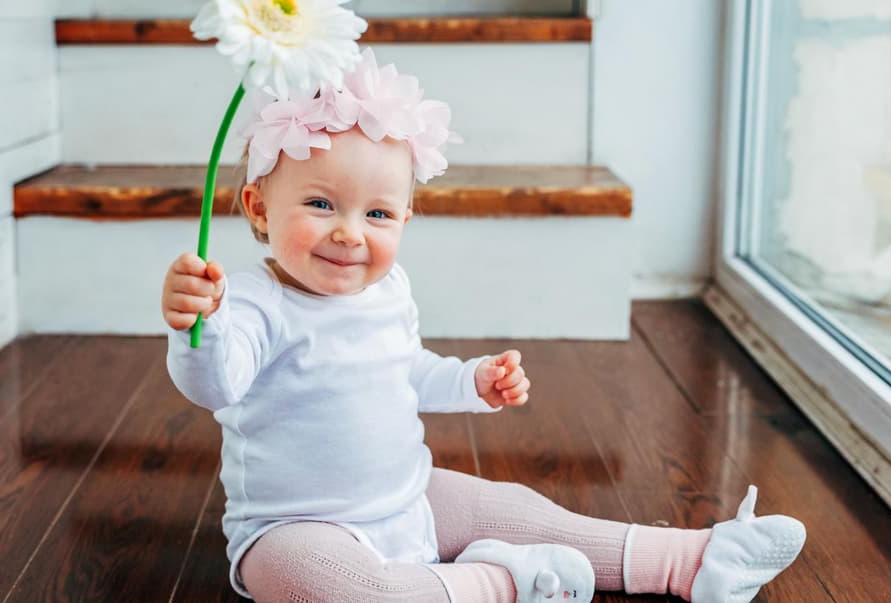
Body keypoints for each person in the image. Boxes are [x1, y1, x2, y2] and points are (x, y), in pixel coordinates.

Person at [162, 48, 805, 603]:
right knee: (319, 588)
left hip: (407, 499)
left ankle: (691, 561)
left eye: (378, 214)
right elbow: (217, 384)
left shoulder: (389, 289)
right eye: (321, 203)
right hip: (295, 530)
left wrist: (471, 381)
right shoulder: (251, 302)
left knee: (513, 508)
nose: (349, 233)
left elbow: (405, 372)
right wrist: (201, 327)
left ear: (404, 219)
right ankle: (503, 582)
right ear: (259, 207)